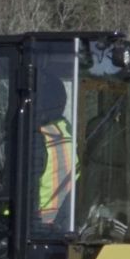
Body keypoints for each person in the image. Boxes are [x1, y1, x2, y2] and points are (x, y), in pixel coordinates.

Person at [34, 75, 76, 230]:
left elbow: (19, 190)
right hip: (64, 224)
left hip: (39, 227)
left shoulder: (38, 139)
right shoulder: (68, 132)